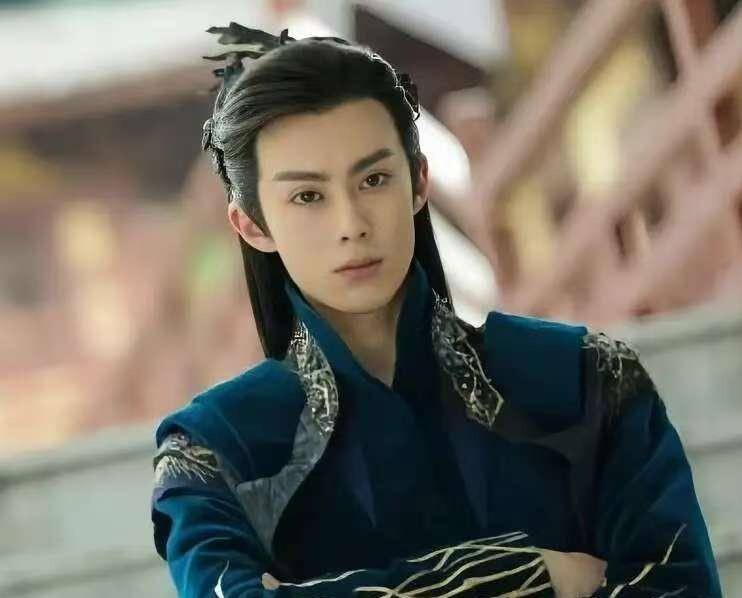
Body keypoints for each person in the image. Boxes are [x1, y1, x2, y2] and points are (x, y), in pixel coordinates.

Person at [149, 22, 722, 597]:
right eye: (308, 196)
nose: (351, 224)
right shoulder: (215, 452)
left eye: (374, 179)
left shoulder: (588, 380)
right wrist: (528, 573)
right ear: (251, 224)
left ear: (418, 182)